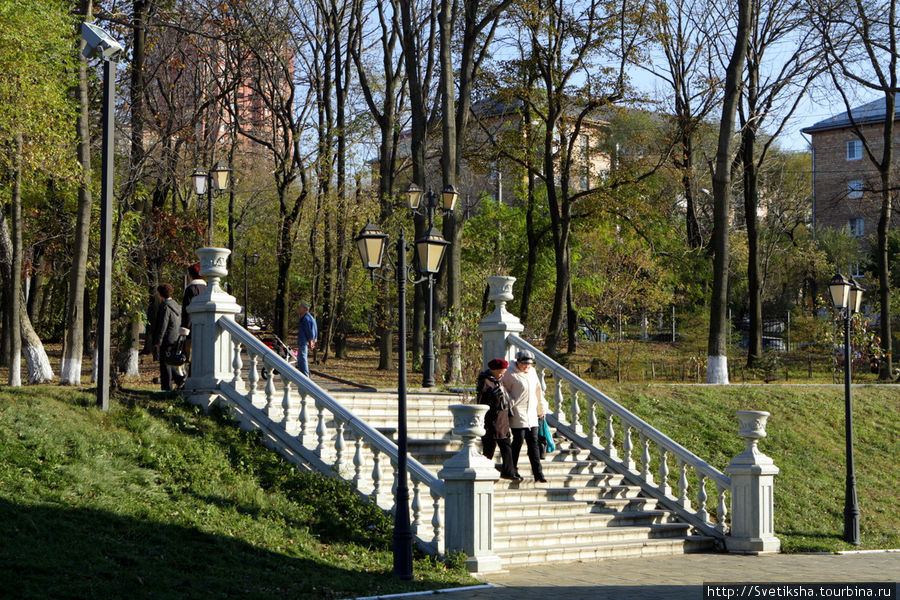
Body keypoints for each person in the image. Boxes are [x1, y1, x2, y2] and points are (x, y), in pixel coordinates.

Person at [502, 349, 547, 482]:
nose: (527, 366)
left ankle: (538, 473)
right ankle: (512, 468)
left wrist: (541, 409)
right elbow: (504, 390)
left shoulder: (532, 372)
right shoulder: (509, 373)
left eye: (529, 364)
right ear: (518, 361)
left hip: (531, 413)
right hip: (517, 411)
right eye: (524, 363)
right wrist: (510, 403)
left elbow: (538, 391)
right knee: (518, 440)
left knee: (533, 443)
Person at [477, 358, 517, 481]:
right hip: (492, 420)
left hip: (502, 419)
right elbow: (481, 401)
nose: (502, 374)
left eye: (503, 372)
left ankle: (509, 471)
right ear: (493, 370)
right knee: (490, 447)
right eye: (500, 372)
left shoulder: (499, 381)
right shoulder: (485, 381)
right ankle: (485, 470)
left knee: (506, 447)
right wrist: (492, 396)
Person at [153, 283, 184, 391]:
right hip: (175, 337)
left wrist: (158, 340)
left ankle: (167, 388)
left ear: (160, 294)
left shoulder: (165, 306)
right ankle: (179, 380)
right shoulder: (176, 305)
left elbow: (163, 324)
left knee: (165, 364)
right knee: (171, 361)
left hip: (167, 338)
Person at [181, 263, 206, 372]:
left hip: (191, 327)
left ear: (191, 275)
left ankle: (189, 375)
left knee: (188, 355)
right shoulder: (207, 288)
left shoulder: (191, 289)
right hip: (205, 326)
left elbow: (186, 310)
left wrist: (184, 327)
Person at [296, 302, 318, 377]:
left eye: (300, 307)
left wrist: (311, 340)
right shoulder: (308, 317)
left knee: (303, 358)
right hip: (303, 340)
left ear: (305, 309)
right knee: (301, 357)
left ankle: (305, 375)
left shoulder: (306, 318)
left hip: (304, 340)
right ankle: (303, 373)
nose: (299, 308)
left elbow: (309, 330)